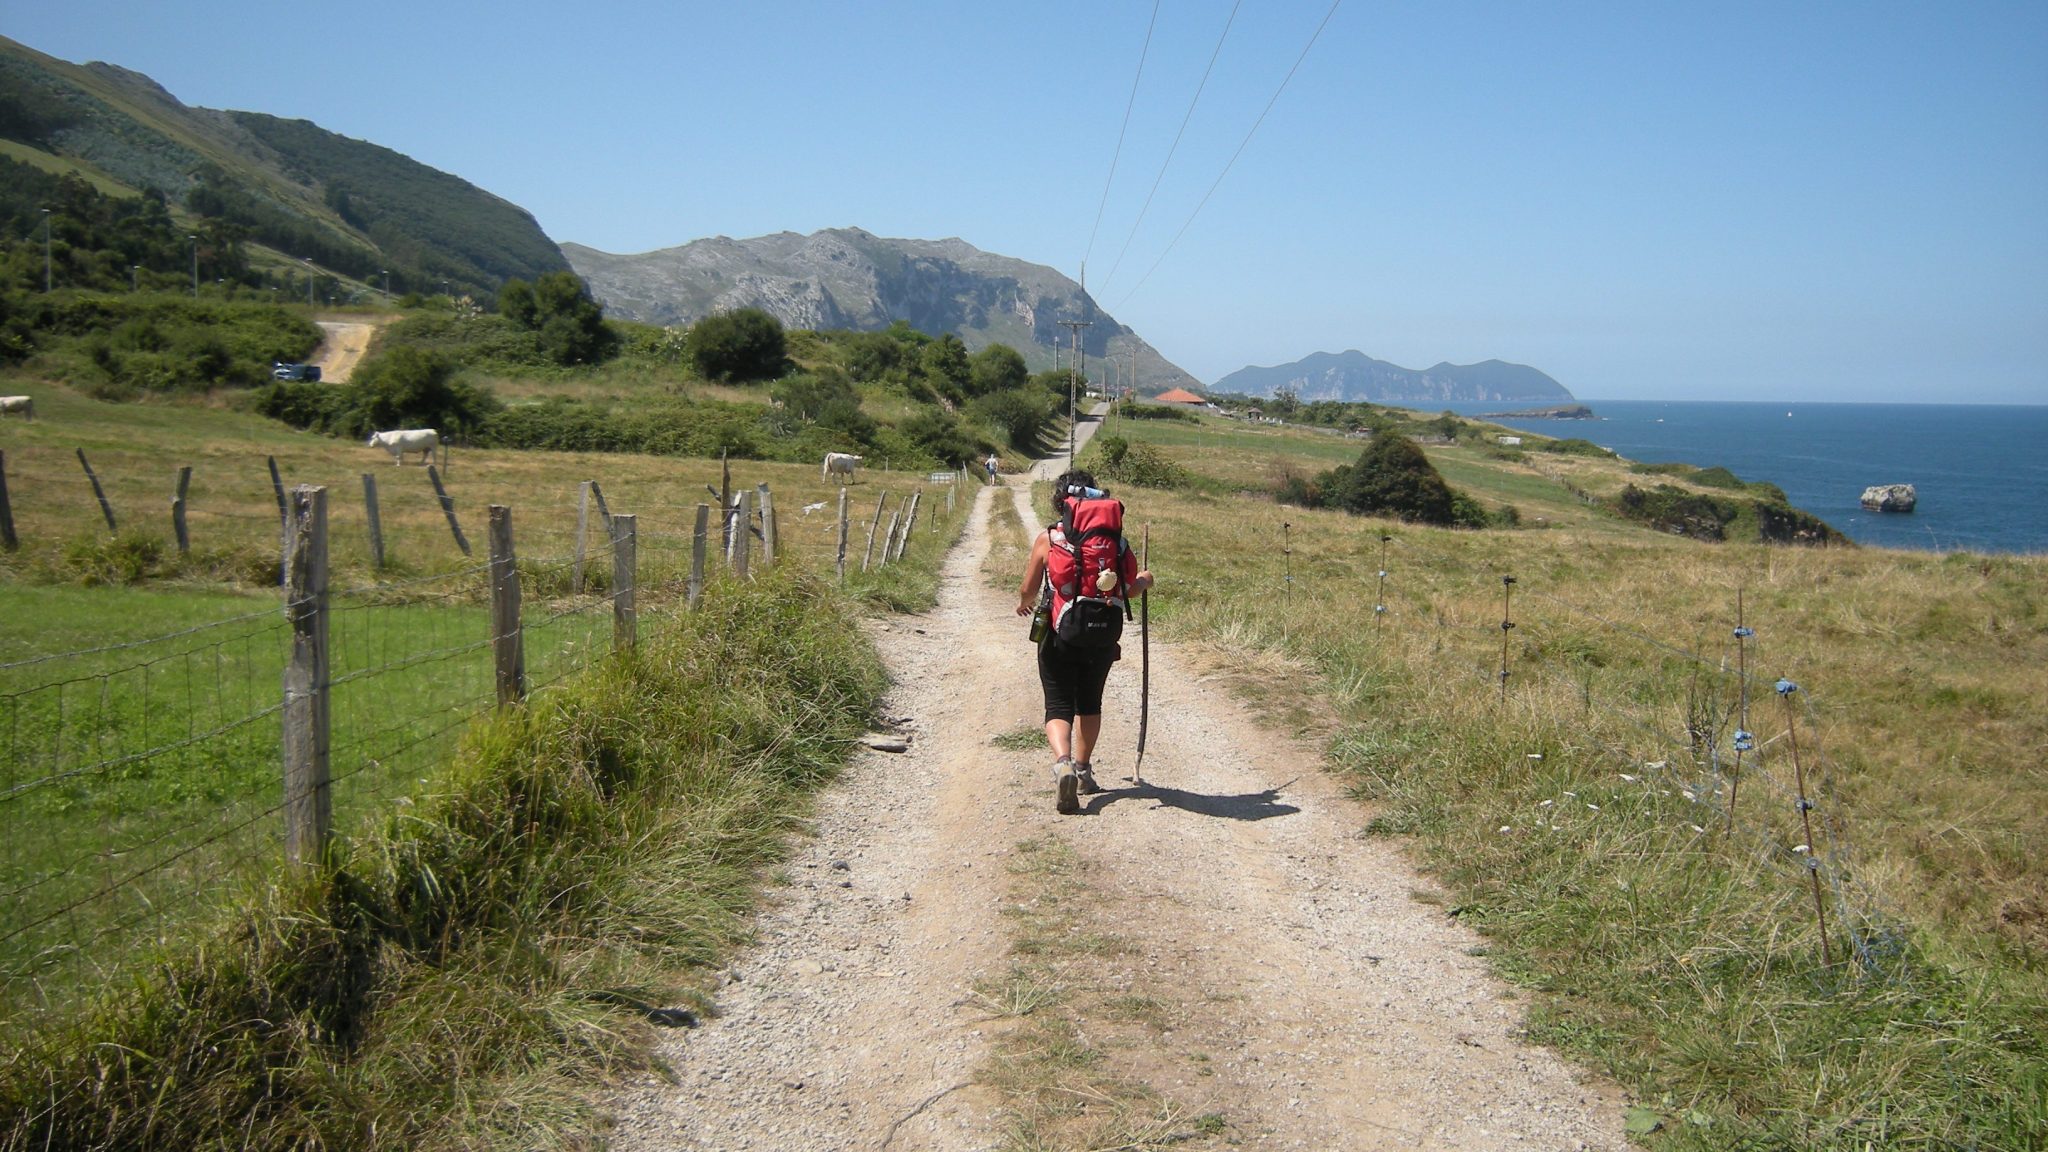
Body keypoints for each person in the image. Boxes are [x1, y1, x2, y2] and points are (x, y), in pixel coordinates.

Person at [1015, 469, 1154, 814]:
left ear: (1062, 503)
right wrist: (1146, 580)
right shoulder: (1117, 544)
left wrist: (1023, 603)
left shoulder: (1050, 539)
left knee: (1058, 703)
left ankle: (1062, 763)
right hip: (1102, 636)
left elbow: (1028, 588)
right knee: (1089, 702)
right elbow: (1129, 589)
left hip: (1059, 633)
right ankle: (1082, 769)